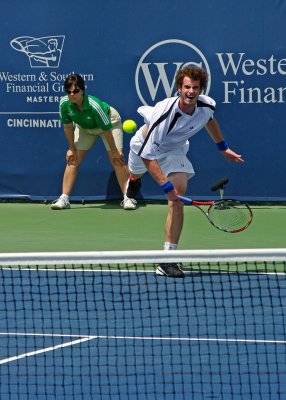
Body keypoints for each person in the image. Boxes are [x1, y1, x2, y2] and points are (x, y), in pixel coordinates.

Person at [123, 66, 244, 278]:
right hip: (145, 147)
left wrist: (223, 147)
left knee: (176, 200)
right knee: (137, 172)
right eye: (186, 87)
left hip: (175, 150)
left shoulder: (206, 105)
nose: (191, 91)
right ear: (179, 88)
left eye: (195, 88)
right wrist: (165, 187)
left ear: (201, 89)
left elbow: (209, 120)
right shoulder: (166, 115)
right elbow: (147, 156)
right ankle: (134, 180)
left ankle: (167, 260)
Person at [51, 73, 136, 210]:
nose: (72, 94)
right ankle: (64, 198)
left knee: (117, 159)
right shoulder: (64, 104)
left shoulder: (95, 106)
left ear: (83, 90)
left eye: (76, 91)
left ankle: (128, 198)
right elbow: (67, 126)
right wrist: (71, 148)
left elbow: (107, 131)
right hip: (85, 128)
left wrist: (115, 152)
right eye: (69, 92)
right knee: (73, 158)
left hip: (110, 124)